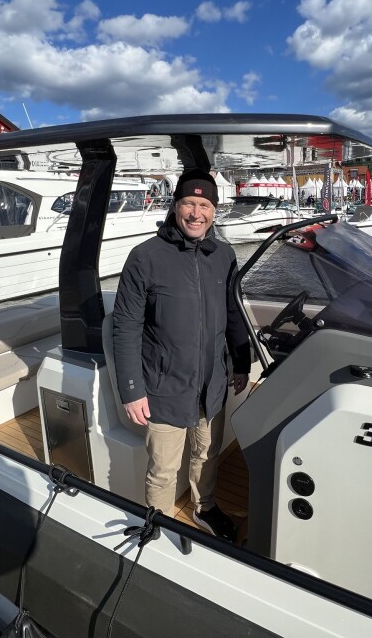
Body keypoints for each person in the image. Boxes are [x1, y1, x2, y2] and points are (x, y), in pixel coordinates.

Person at [112, 168, 251, 541]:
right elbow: (124, 327)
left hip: (213, 383)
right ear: (175, 207)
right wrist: (132, 389)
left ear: (214, 211)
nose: (196, 213)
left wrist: (241, 364)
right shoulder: (145, 257)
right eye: (188, 203)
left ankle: (205, 509)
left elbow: (233, 312)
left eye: (204, 205)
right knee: (163, 468)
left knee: (207, 455)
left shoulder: (224, 255)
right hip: (163, 386)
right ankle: (155, 522)